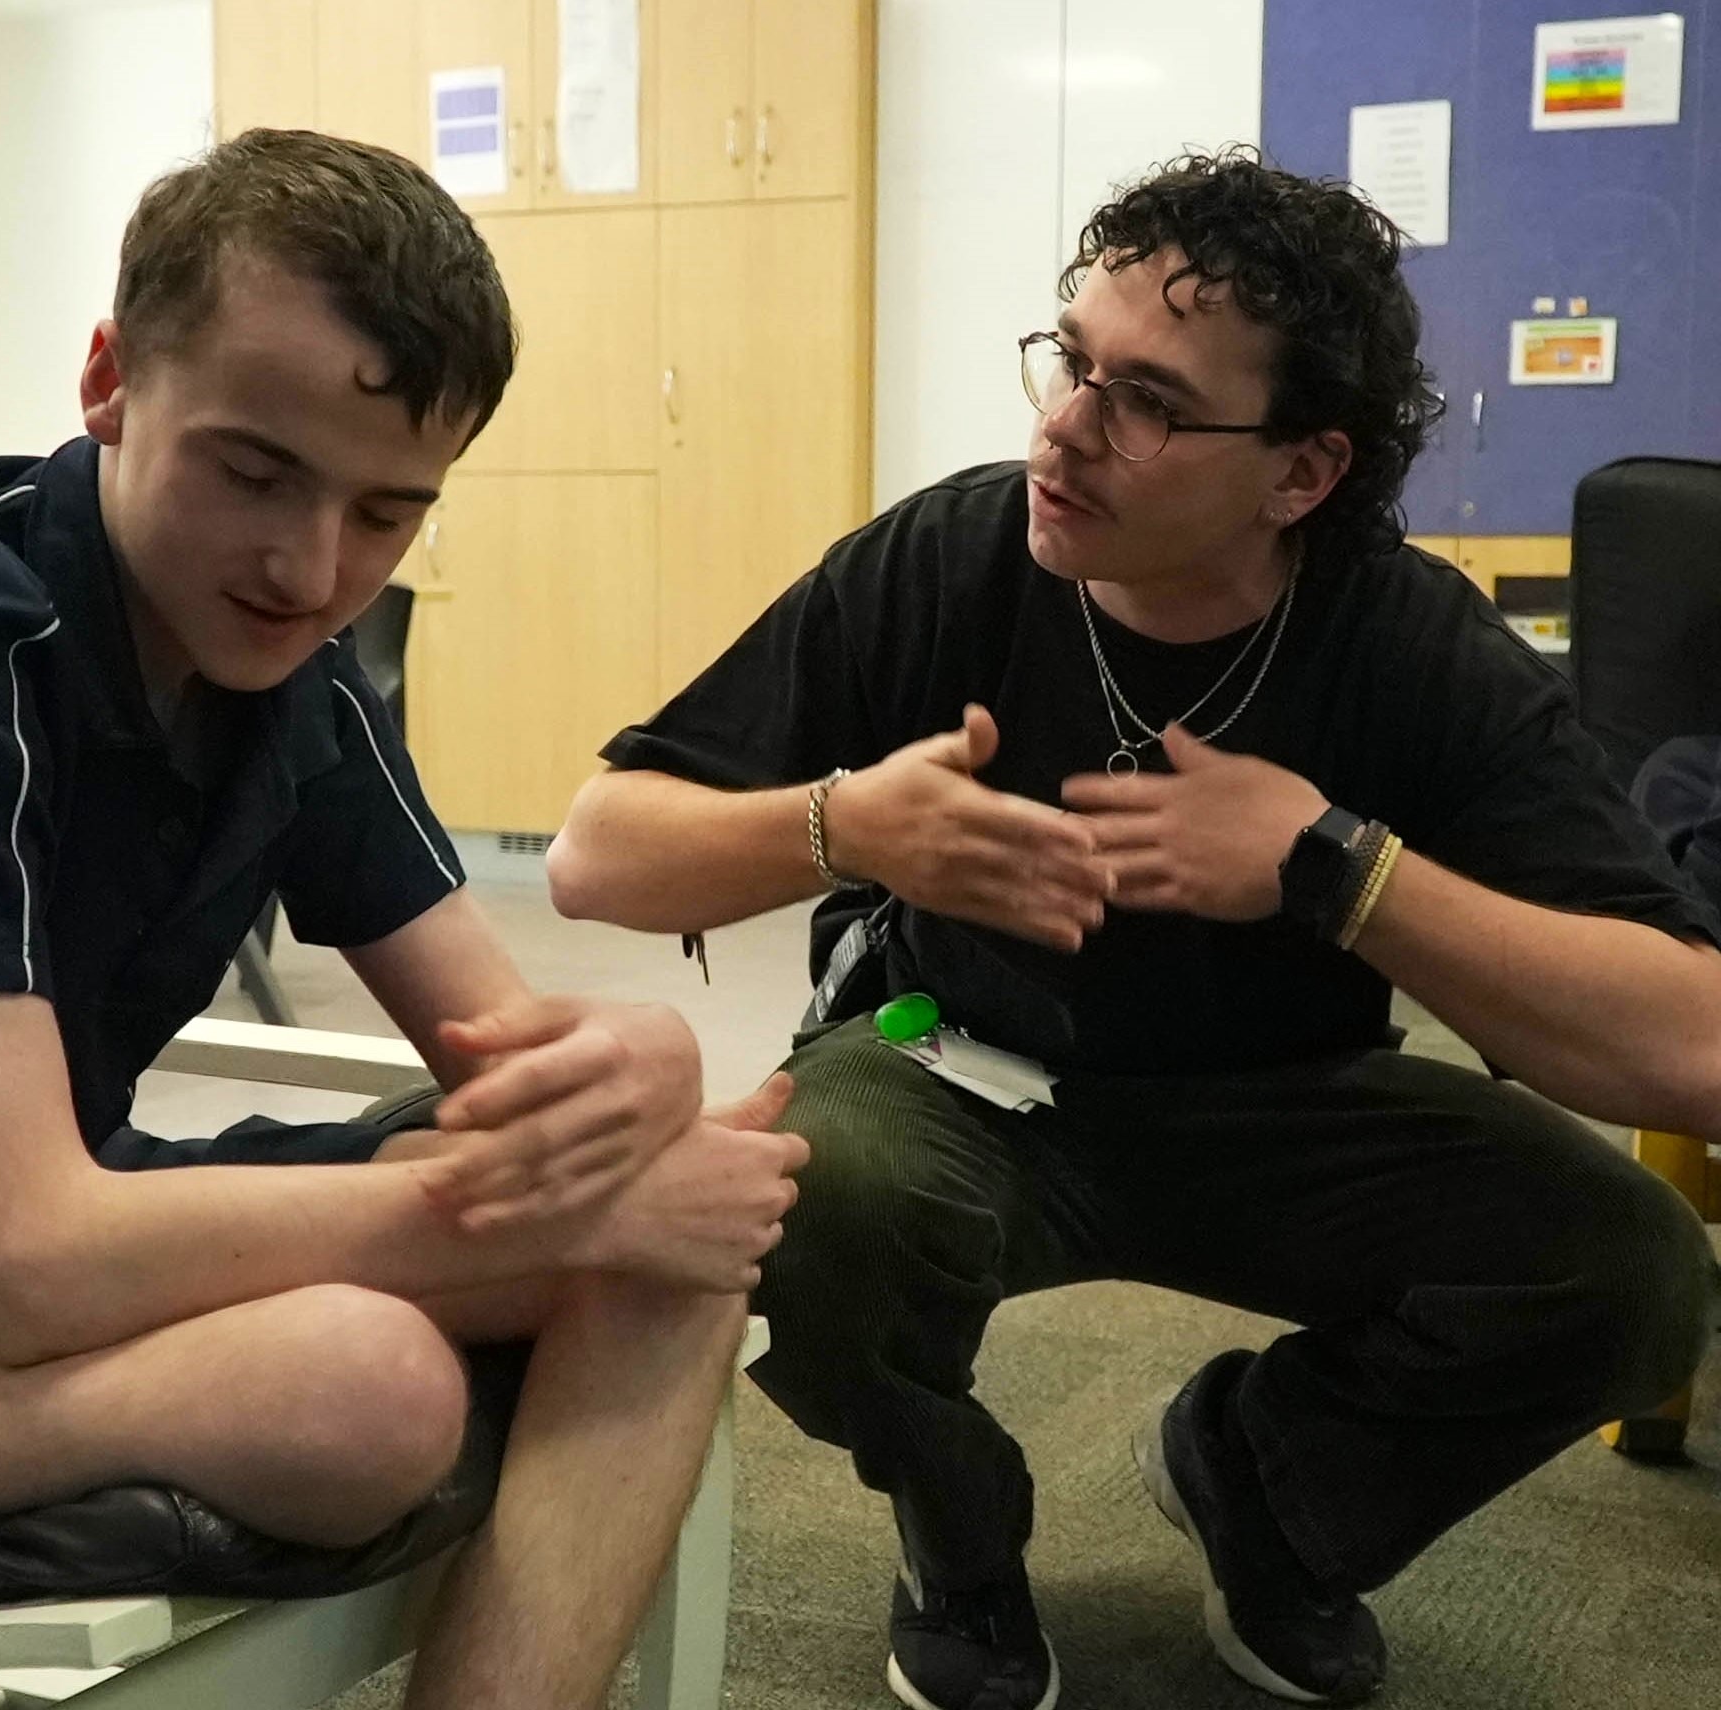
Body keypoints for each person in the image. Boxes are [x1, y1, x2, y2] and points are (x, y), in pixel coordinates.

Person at [0, 128, 805, 1708]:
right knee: (366, 1392)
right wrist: (550, 1210)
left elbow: (510, 1063)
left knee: (673, 1230)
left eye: (387, 515)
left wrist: (636, 1072)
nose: (312, 568)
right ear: (109, 379)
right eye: (255, 472)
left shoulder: (291, 678)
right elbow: (30, 1264)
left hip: (7, 1260)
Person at [549, 150, 1721, 1710]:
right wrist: (844, 825)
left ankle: (1268, 1486)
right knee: (801, 1195)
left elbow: (1692, 1041)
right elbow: (595, 856)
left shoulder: (1407, 637)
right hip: (954, 1060)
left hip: (1289, 1106)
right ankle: (959, 1525)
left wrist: (1338, 868)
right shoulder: (951, 557)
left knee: (1635, 1271)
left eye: (1149, 402)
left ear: (1300, 473)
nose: (1064, 428)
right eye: (1071, 360)